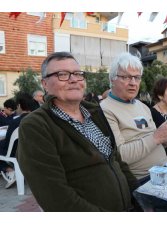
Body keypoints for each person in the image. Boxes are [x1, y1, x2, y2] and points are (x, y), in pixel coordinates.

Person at [18, 52, 139, 212]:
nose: (73, 79)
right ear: (45, 84)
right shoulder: (36, 125)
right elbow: (55, 196)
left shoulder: (95, 113)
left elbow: (117, 161)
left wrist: (139, 198)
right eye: (62, 74)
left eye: (77, 74)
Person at [100, 52, 167, 183]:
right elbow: (119, 156)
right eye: (126, 77)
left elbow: (152, 140)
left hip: (166, 170)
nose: (133, 83)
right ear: (112, 80)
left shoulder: (142, 106)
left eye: (137, 77)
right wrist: (157, 137)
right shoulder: (105, 110)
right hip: (142, 181)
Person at [0, 93, 36, 189]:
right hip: (34, 151)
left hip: (17, 152)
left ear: (19, 105)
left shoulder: (15, 122)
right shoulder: (38, 119)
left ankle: (9, 170)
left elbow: (8, 143)